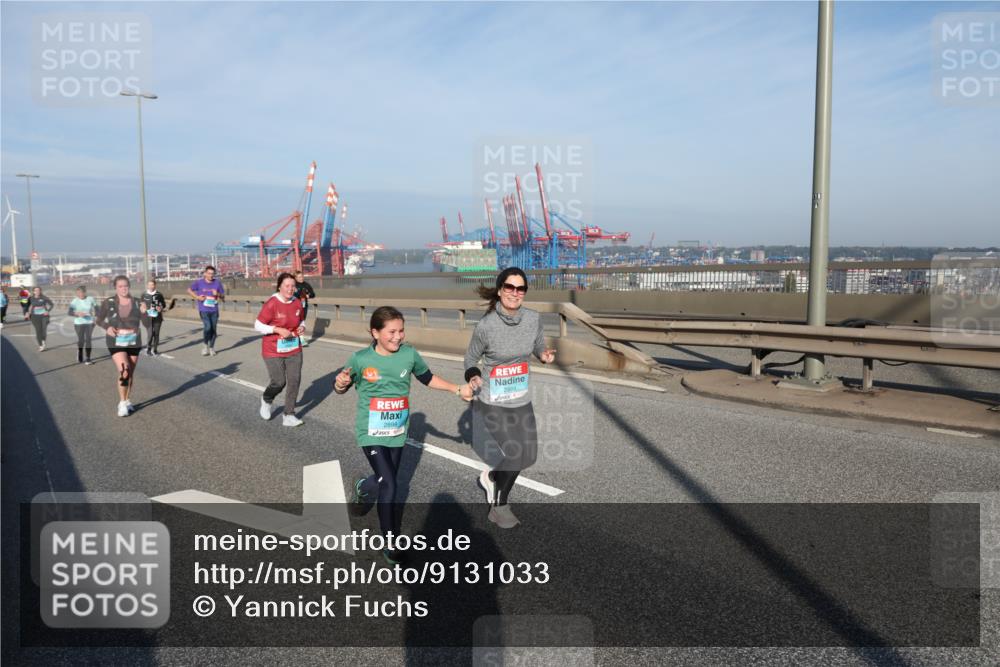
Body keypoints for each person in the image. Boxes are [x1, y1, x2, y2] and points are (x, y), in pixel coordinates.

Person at [334, 305, 474, 564]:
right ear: (375, 332)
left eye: (401, 331)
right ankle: (390, 542)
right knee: (390, 483)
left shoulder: (409, 354)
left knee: (383, 480)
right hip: (370, 432)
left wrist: (457, 389)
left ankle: (362, 487)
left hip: (397, 432)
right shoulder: (360, 359)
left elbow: (428, 378)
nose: (398, 337)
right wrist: (340, 384)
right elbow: (341, 385)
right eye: (391, 332)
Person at [464, 268, 556, 529]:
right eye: (509, 287)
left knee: (529, 456)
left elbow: (537, 344)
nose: (515, 293)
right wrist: (473, 375)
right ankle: (499, 507)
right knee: (515, 454)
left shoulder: (533, 318)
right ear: (500, 289)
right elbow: (470, 359)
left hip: (520, 398)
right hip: (492, 400)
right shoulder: (486, 326)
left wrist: (543, 355)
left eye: (520, 288)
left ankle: (493, 477)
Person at [254, 272, 307, 427]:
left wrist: (302, 327)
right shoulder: (272, 303)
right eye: (287, 286)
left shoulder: (297, 302)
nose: (290, 289)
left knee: (294, 381)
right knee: (279, 382)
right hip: (273, 349)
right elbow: (258, 325)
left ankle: (289, 415)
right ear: (279, 287)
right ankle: (267, 399)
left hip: (293, 347)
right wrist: (277, 329)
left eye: (293, 286)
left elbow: (301, 320)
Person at [96, 275, 147, 417]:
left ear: (129, 286)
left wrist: (145, 312)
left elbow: (146, 323)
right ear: (115, 288)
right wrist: (107, 327)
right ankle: (122, 403)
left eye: (126, 286)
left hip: (133, 341)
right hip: (115, 341)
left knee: (130, 373)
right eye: (120, 286)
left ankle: (127, 399)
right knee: (125, 370)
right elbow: (98, 320)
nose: (123, 288)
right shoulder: (108, 302)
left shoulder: (137, 302)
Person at [187, 265, 225, 356]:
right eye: (209, 273)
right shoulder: (199, 282)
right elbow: (189, 290)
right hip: (203, 309)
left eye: (212, 274)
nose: (211, 275)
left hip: (214, 310)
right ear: (205, 273)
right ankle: (205, 345)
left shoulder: (217, 283)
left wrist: (218, 294)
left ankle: (211, 347)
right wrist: (197, 297)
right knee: (208, 327)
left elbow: (223, 297)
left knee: (213, 330)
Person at [69, 285, 97, 364]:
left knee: (88, 340)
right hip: (78, 323)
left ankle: (88, 358)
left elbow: (97, 309)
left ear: (85, 292)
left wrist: (96, 318)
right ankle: (80, 351)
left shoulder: (90, 299)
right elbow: (70, 312)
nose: (80, 294)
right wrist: (77, 314)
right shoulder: (75, 301)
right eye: (78, 293)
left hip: (89, 322)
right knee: (81, 340)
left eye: (81, 293)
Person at [141, 279, 167, 356]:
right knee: (150, 334)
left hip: (157, 317)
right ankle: (148, 349)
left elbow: (164, 304)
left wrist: (160, 308)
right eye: (149, 285)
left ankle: (155, 350)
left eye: (152, 285)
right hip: (147, 317)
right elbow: (141, 304)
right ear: (147, 286)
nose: (151, 286)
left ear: (155, 285)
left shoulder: (159, 294)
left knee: (156, 334)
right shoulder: (144, 294)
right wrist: (142, 308)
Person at [27, 286, 54, 351]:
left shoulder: (44, 298)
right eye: (36, 290)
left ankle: (43, 340)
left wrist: (48, 311)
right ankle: (41, 345)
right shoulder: (31, 298)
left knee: (43, 330)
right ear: (33, 292)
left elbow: (51, 304)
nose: (37, 292)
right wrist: (27, 312)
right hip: (34, 316)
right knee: (38, 330)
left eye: (39, 290)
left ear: (40, 291)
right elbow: (26, 306)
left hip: (44, 316)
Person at [293, 271, 316, 346]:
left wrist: (308, 295)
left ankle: (301, 339)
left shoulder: (306, 285)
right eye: (299, 277)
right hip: (294, 306)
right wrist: (297, 293)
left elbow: (313, 294)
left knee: (301, 322)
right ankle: (297, 338)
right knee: (295, 322)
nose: (301, 278)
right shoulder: (293, 285)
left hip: (304, 306)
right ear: (295, 278)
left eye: (302, 276)